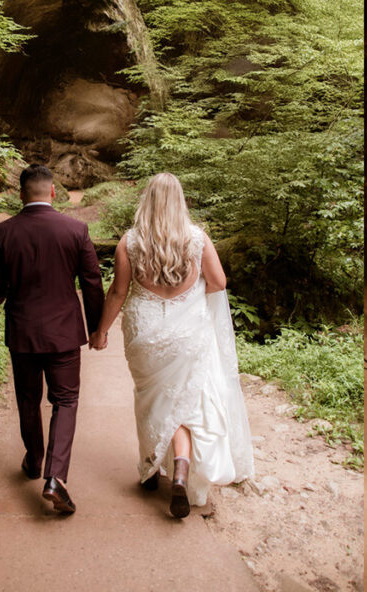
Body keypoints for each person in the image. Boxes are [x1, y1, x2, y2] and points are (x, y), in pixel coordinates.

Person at [89, 172, 254, 518]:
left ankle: (150, 469)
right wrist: (191, 302)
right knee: (184, 404)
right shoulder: (196, 240)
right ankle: (180, 465)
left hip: (144, 331)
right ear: (180, 202)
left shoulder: (130, 242)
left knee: (152, 400)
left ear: (146, 201)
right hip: (188, 333)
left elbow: (118, 292)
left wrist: (101, 330)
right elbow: (219, 281)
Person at [0, 164, 105, 515]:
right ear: (53, 192)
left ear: (21, 194)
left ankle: (34, 458)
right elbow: (92, 282)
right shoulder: (76, 229)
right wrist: (97, 328)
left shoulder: (2, 233)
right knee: (65, 400)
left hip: (22, 331)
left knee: (27, 398)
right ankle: (55, 477)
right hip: (64, 332)